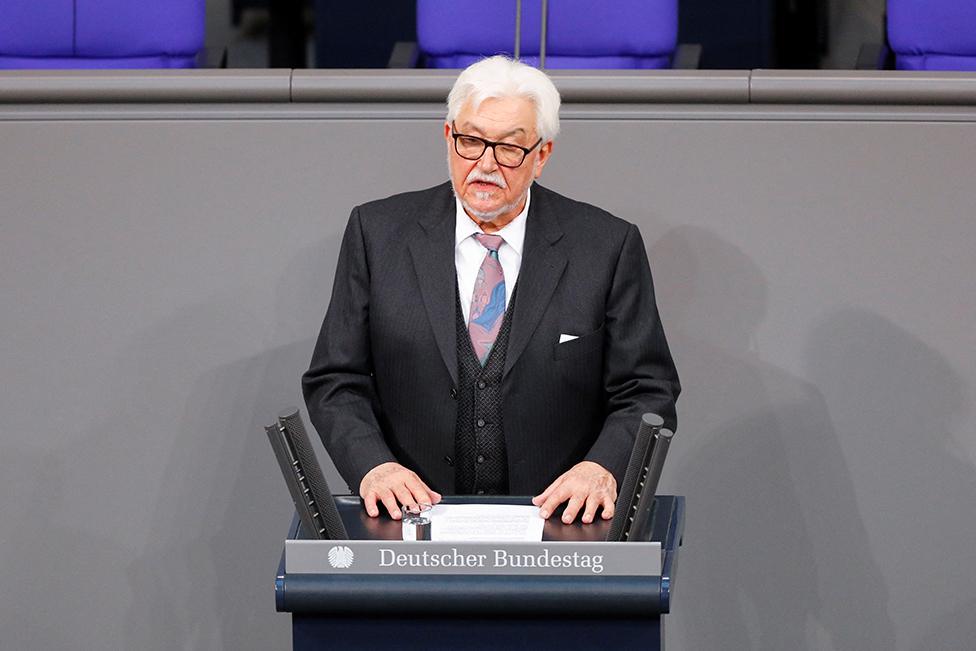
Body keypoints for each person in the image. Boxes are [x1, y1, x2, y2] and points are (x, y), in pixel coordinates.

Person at [302, 55, 679, 526]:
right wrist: (373, 468)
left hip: (560, 530)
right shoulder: (377, 234)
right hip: (412, 529)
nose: (485, 165)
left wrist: (602, 468)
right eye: (471, 141)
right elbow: (335, 380)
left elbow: (648, 390)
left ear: (541, 155)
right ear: (448, 138)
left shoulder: (605, 246)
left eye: (509, 149)